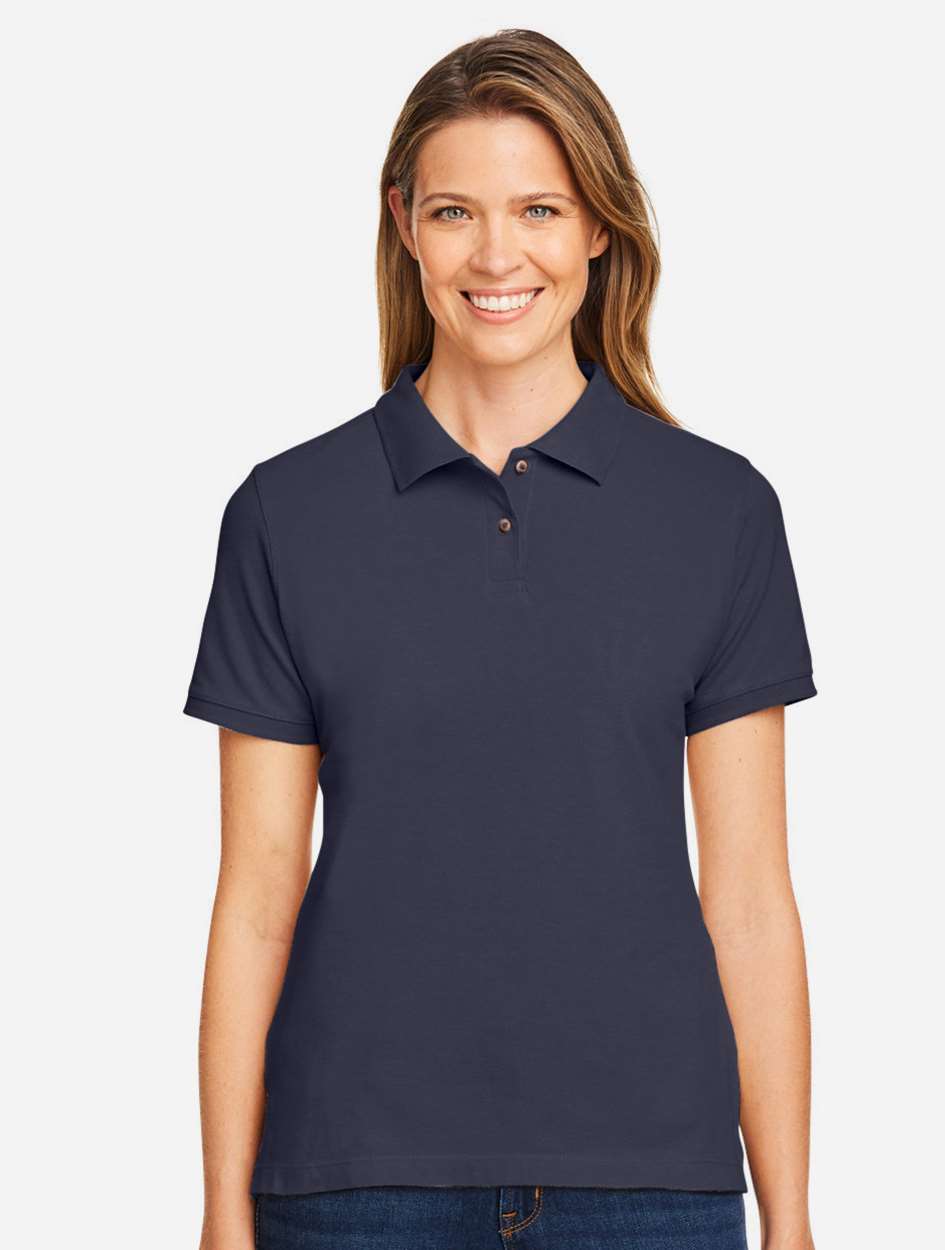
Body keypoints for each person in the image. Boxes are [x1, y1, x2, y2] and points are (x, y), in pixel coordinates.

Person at [183, 28, 819, 1250]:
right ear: (404, 224)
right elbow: (256, 892)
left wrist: (789, 1220)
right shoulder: (286, 513)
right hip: (351, 1180)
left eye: (538, 208)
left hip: (651, 1184)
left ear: (598, 227)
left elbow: (748, 895)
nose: (495, 254)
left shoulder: (720, 510)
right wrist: (220, 1209)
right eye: (454, 211)